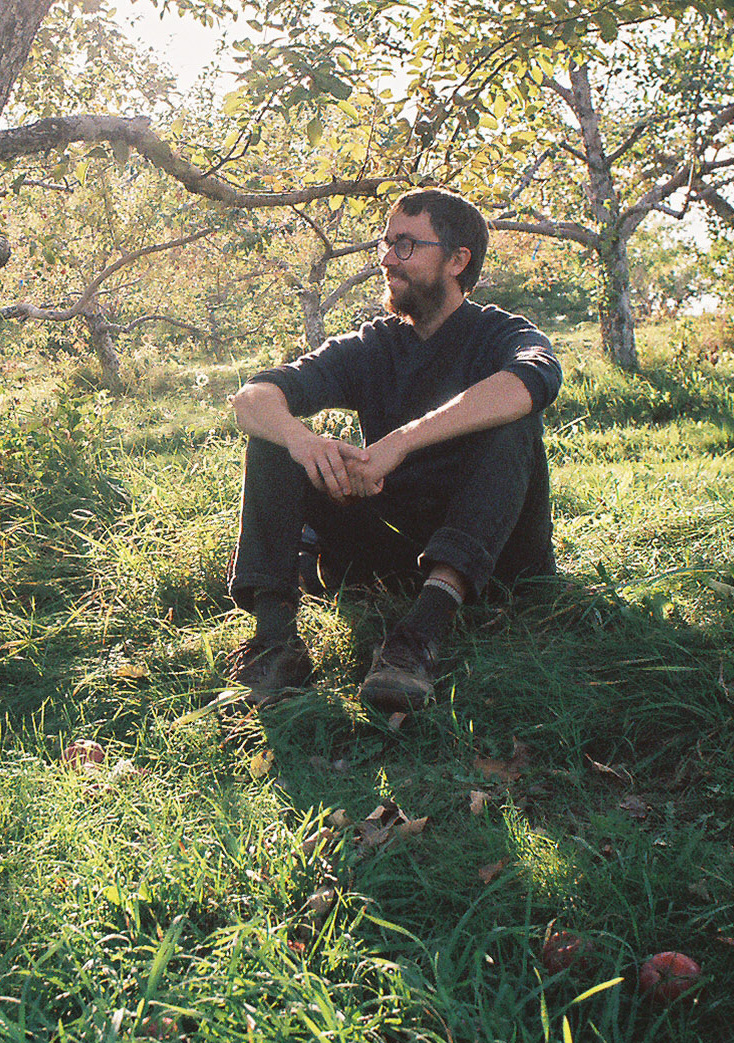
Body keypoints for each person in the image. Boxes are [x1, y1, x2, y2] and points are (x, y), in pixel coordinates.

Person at [225, 186, 563, 712]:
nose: (386, 259)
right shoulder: (374, 344)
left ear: (456, 260)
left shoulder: (500, 334)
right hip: (395, 547)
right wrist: (303, 440)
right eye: (384, 243)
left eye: (405, 244)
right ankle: (275, 643)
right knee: (275, 440)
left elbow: (529, 383)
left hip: (494, 560)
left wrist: (398, 443)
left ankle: (420, 637)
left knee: (513, 425)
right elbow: (253, 397)